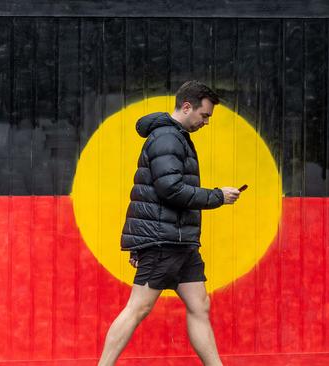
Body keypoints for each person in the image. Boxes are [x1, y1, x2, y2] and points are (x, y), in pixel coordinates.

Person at [97, 81, 240, 366]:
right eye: (205, 115)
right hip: (165, 240)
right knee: (138, 307)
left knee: (200, 305)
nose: (206, 122)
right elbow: (170, 189)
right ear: (187, 107)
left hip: (180, 241)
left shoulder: (176, 137)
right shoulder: (167, 138)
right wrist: (217, 196)